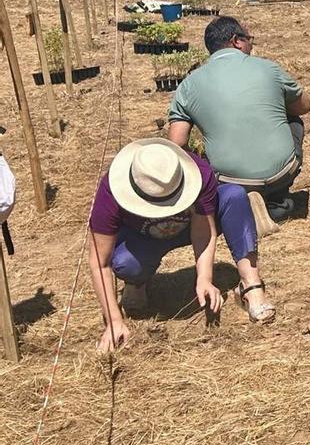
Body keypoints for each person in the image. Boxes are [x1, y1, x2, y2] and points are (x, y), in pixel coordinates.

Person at [88, 138, 277, 353]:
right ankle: (137, 282)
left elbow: (202, 230)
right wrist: (113, 320)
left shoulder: (199, 172)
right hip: (144, 237)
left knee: (234, 196)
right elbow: (99, 262)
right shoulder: (109, 192)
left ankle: (250, 285)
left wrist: (204, 278)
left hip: (187, 227)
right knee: (125, 262)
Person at [168, 17, 310, 222]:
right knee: (294, 121)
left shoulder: (188, 85)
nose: (251, 45)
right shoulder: (268, 68)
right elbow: (304, 106)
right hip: (282, 174)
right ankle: (276, 200)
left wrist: (204, 168)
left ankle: (237, 203)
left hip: (228, 180)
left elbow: (177, 143)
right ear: (237, 41)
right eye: (249, 39)